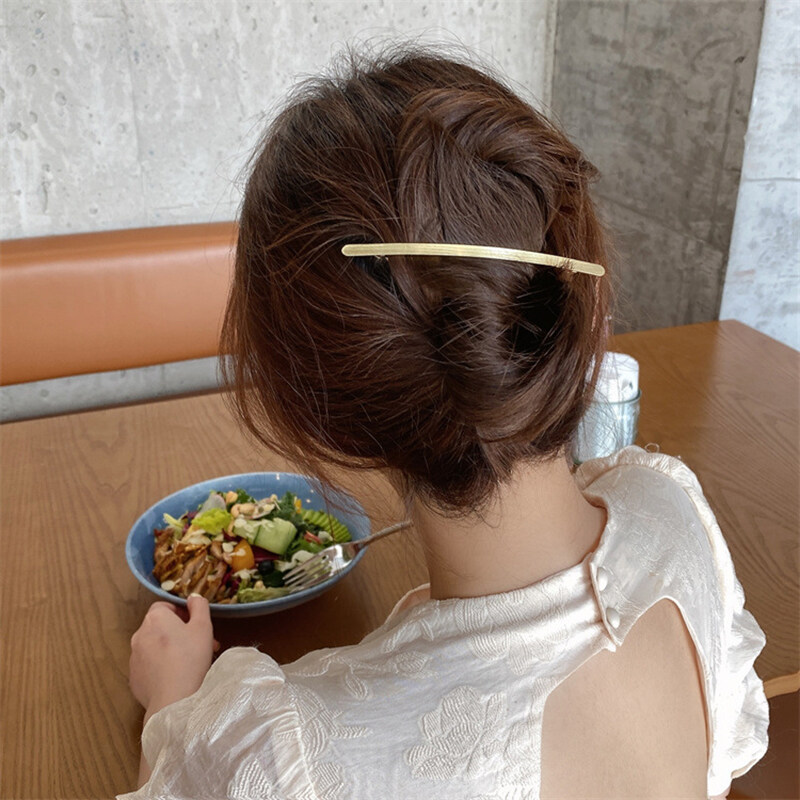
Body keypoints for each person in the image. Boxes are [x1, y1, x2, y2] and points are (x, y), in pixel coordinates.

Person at [119, 46, 768, 799]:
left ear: (320, 408)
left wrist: (172, 704)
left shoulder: (282, 759)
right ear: (569, 310)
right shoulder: (671, 510)